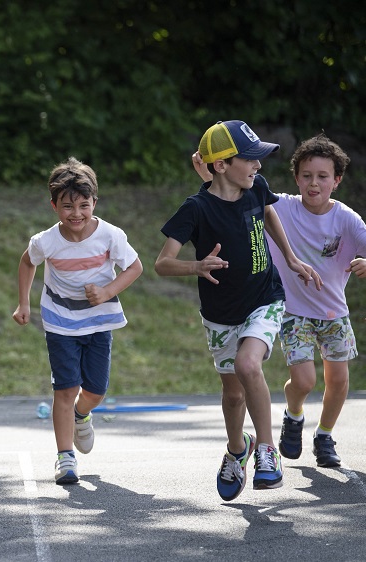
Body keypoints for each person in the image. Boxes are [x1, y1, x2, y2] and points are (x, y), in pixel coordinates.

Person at [156, 120, 321, 502]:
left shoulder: (255, 187)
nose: (258, 166)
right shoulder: (196, 209)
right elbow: (162, 263)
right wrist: (195, 266)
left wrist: (290, 258)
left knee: (248, 366)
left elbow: (268, 213)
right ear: (221, 166)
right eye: (249, 159)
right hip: (220, 314)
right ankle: (237, 448)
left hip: (265, 298)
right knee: (233, 394)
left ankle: (267, 449)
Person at [192, 133, 366, 468]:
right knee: (304, 381)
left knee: (339, 380)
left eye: (323, 176)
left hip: (334, 312)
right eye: (306, 175)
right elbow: (234, 193)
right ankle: (294, 414)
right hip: (292, 310)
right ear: (296, 178)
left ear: (337, 181)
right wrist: (209, 174)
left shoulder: (346, 219)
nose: (313, 183)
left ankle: (325, 435)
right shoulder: (281, 205)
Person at [12, 157, 143, 486]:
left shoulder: (110, 235)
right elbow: (27, 263)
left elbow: (135, 267)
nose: (76, 214)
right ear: (54, 206)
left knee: (95, 391)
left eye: (84, 205)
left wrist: (108, 291)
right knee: (66, 388)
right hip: (60, 321)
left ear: (94, 203)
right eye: (67, 206)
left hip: (99, 320)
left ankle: (81, 414)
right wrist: (23, 303)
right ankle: (65, 456)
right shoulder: (46, 241)